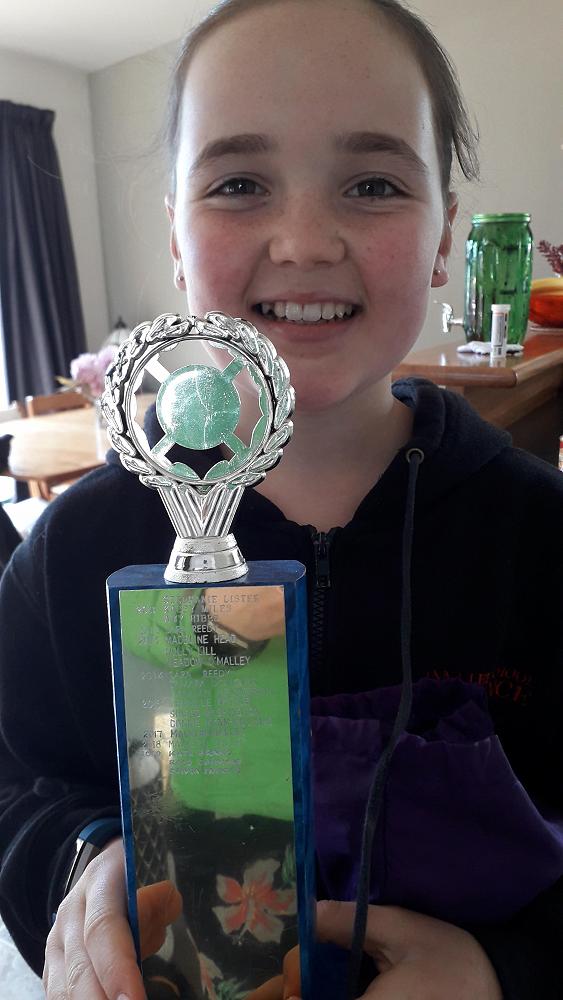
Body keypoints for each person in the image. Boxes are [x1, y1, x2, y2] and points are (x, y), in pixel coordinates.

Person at [0, 0, 561, 997]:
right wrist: (80, 861)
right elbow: (18, 785)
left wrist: (504, 969)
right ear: (176, 237)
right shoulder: (75, 549)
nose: (303, 241)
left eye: (372, 183)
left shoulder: (539, 537)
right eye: (238, 183)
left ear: (443, 239)